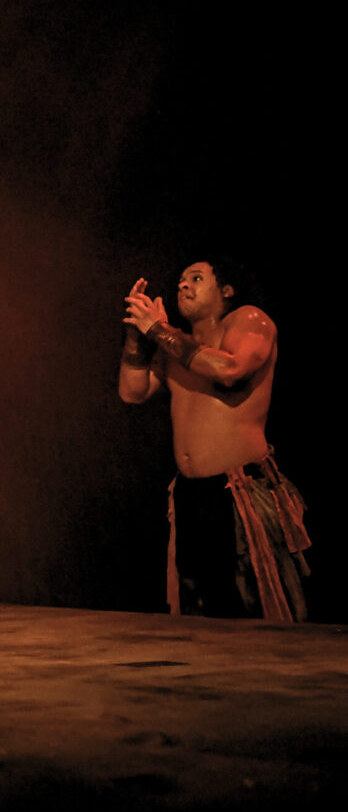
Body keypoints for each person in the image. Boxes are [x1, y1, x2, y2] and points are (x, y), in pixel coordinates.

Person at [119, 260, 307, 620]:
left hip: (239, 490)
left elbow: (231, 370)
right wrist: (137, 333)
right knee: (200, 610)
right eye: (180, 280)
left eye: (196, 278)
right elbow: (133, 391)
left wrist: (158, 329)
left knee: (253, 605)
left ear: (226, 290)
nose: (183, 286)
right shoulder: (175, 345)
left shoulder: (248, 320)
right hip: (191, 495)